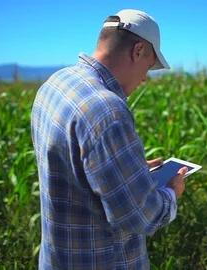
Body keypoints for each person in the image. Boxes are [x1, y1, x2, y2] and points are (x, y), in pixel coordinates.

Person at [30, 9, 187, 270]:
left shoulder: (56, 84)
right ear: (137, 50)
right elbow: (139, 215)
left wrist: (127, 173)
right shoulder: (107, 110)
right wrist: (171, 193)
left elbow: (75, 168)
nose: (145, 78)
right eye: (148, 66)